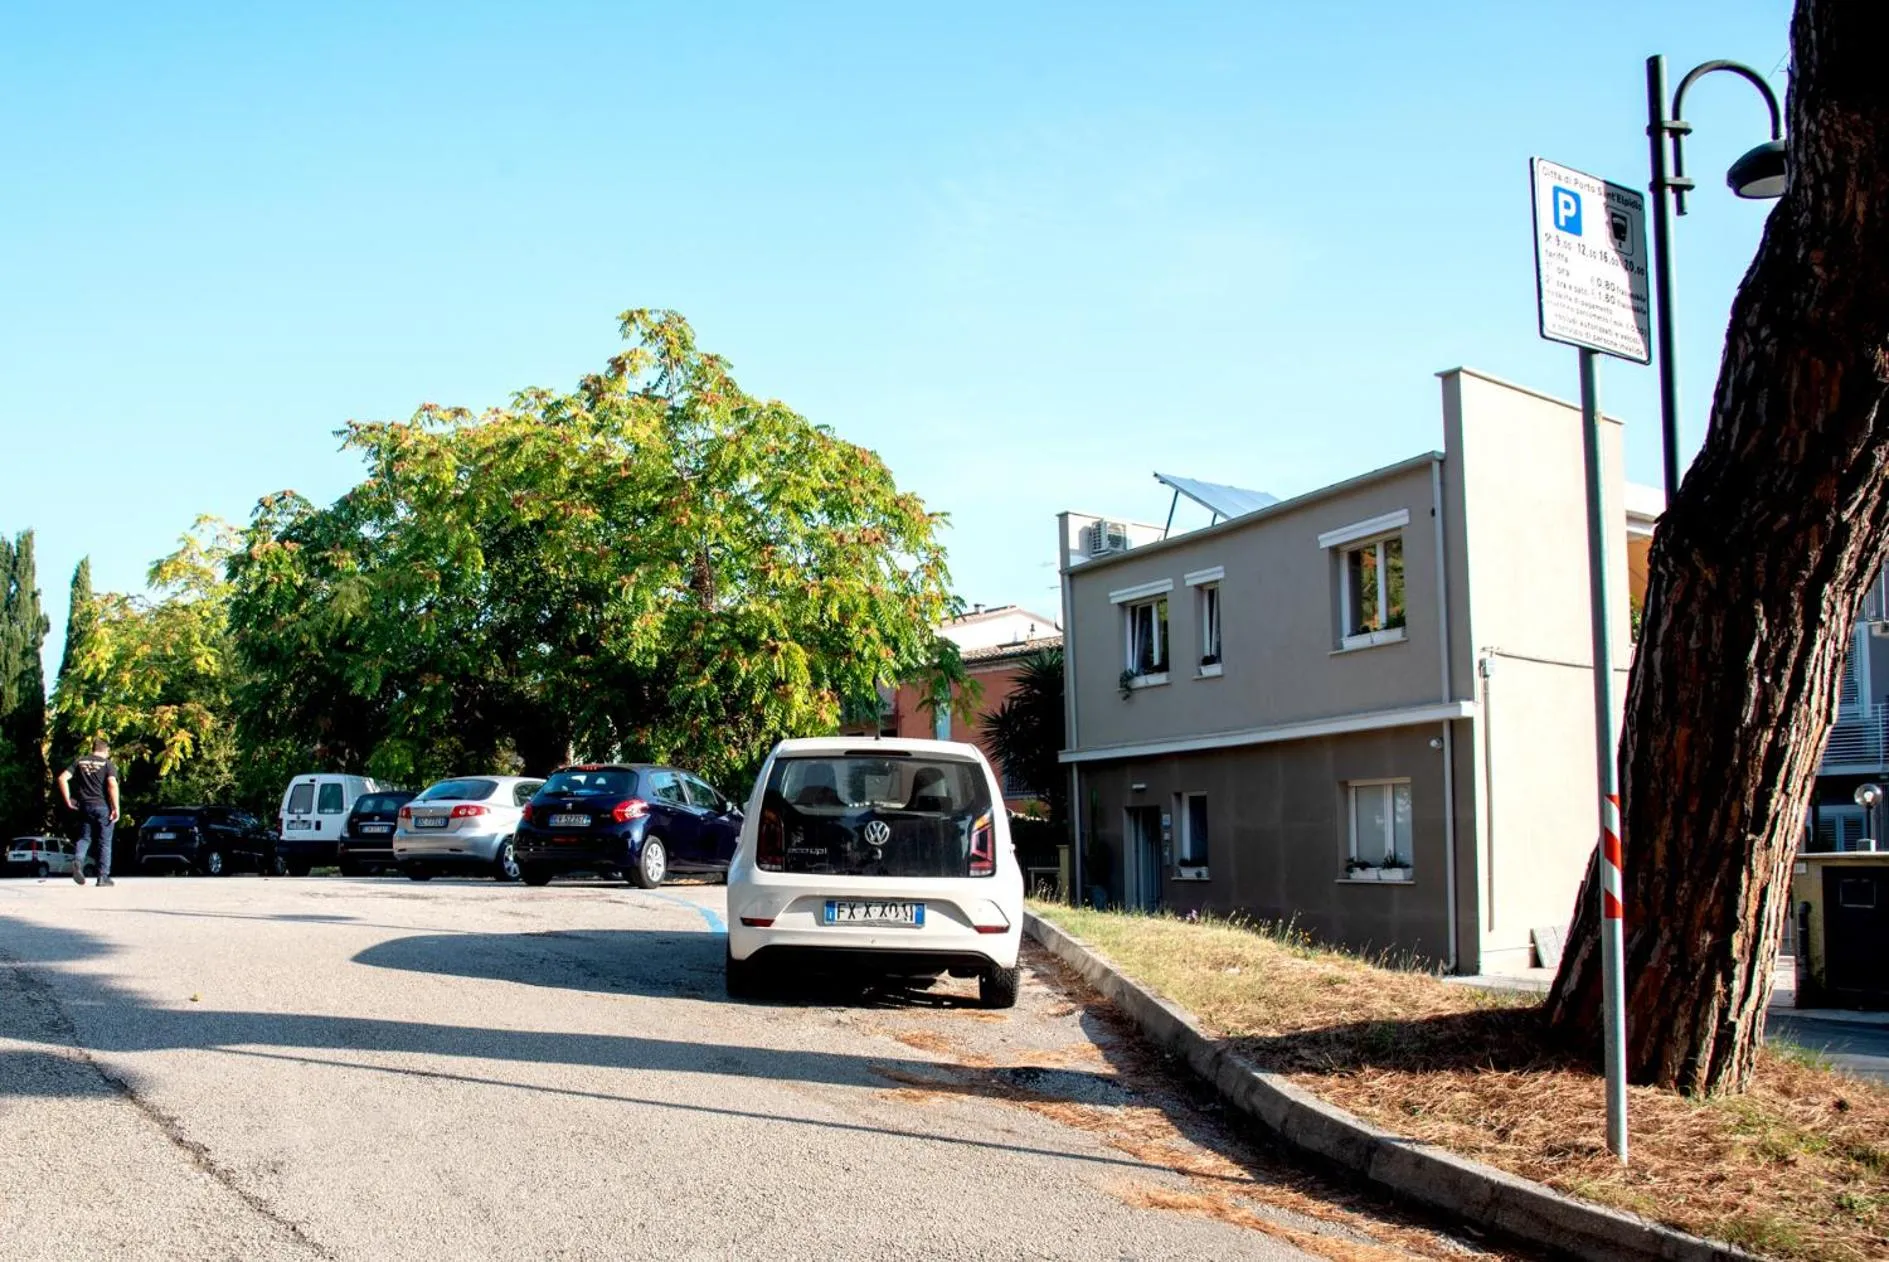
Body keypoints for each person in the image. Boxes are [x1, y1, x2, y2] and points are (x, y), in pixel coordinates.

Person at [57, 739, 121, 887]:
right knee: (104, 842)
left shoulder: (79, 762)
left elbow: (62, 778)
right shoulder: (107, 764)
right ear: (106, 751)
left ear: (93, 749)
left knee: (85, 838)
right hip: (103, 807)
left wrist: (68, 799)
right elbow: (112, 784)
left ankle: (78, 860)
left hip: (84, 806)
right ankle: (102, 877)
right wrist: (116, 807)